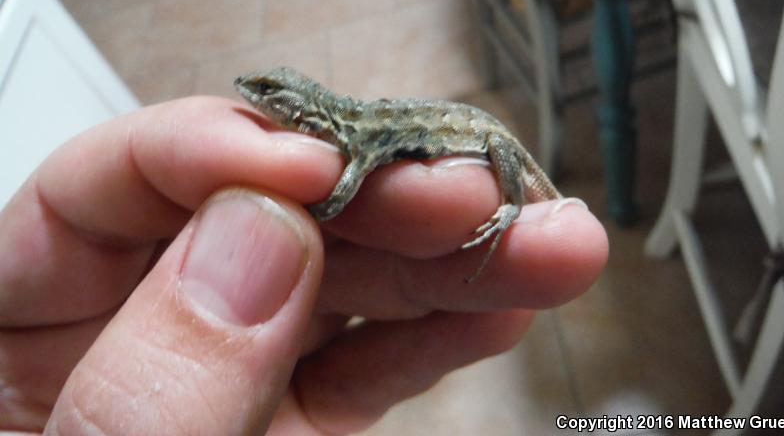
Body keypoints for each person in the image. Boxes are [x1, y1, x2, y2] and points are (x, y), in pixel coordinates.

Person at [0, 97, 608, 434]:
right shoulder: (356, 136)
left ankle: (509, 208)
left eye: (270, 97)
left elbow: (339, 198)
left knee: (521, 217)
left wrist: (301, 216)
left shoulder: (359, 139)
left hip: (494, 143)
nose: (256, 97)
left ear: (305, 115)